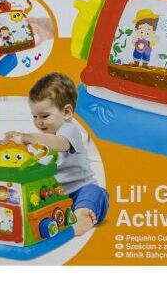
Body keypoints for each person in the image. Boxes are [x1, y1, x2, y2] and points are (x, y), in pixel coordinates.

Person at [24, 71, 109, 232]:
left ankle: (83, 215)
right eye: (34, 116)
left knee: (95, 193)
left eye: (44, 116)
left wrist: (28, 137)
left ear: (66, 112)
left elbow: (59, 143)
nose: (38, 122)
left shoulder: (69, 130)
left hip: (80, 191)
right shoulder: (41, 141)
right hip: (55, 196)